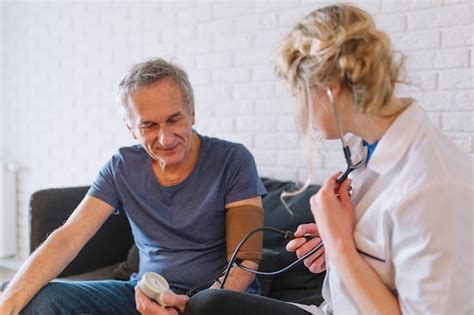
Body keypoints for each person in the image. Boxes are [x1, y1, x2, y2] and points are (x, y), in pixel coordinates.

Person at [177, 3, 473, 315]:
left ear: (330, 91)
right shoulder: (372, 152)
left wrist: (340, 244)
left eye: (298, 96)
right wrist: (336, 245)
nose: (299, 113)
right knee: (208, 305)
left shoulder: (435, 188)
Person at [0, 58, 267, 315]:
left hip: (218, 300)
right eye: (149, 125)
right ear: (131, 129)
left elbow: (245, 261)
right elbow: (68, 238)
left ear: (193, 113)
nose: (165, 138)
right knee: (41, 300)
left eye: (174, 120)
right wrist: (6, 305)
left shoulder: (233, 159)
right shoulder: (121, 167)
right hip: (143, 298)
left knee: (211, 306)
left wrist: (193, 310)